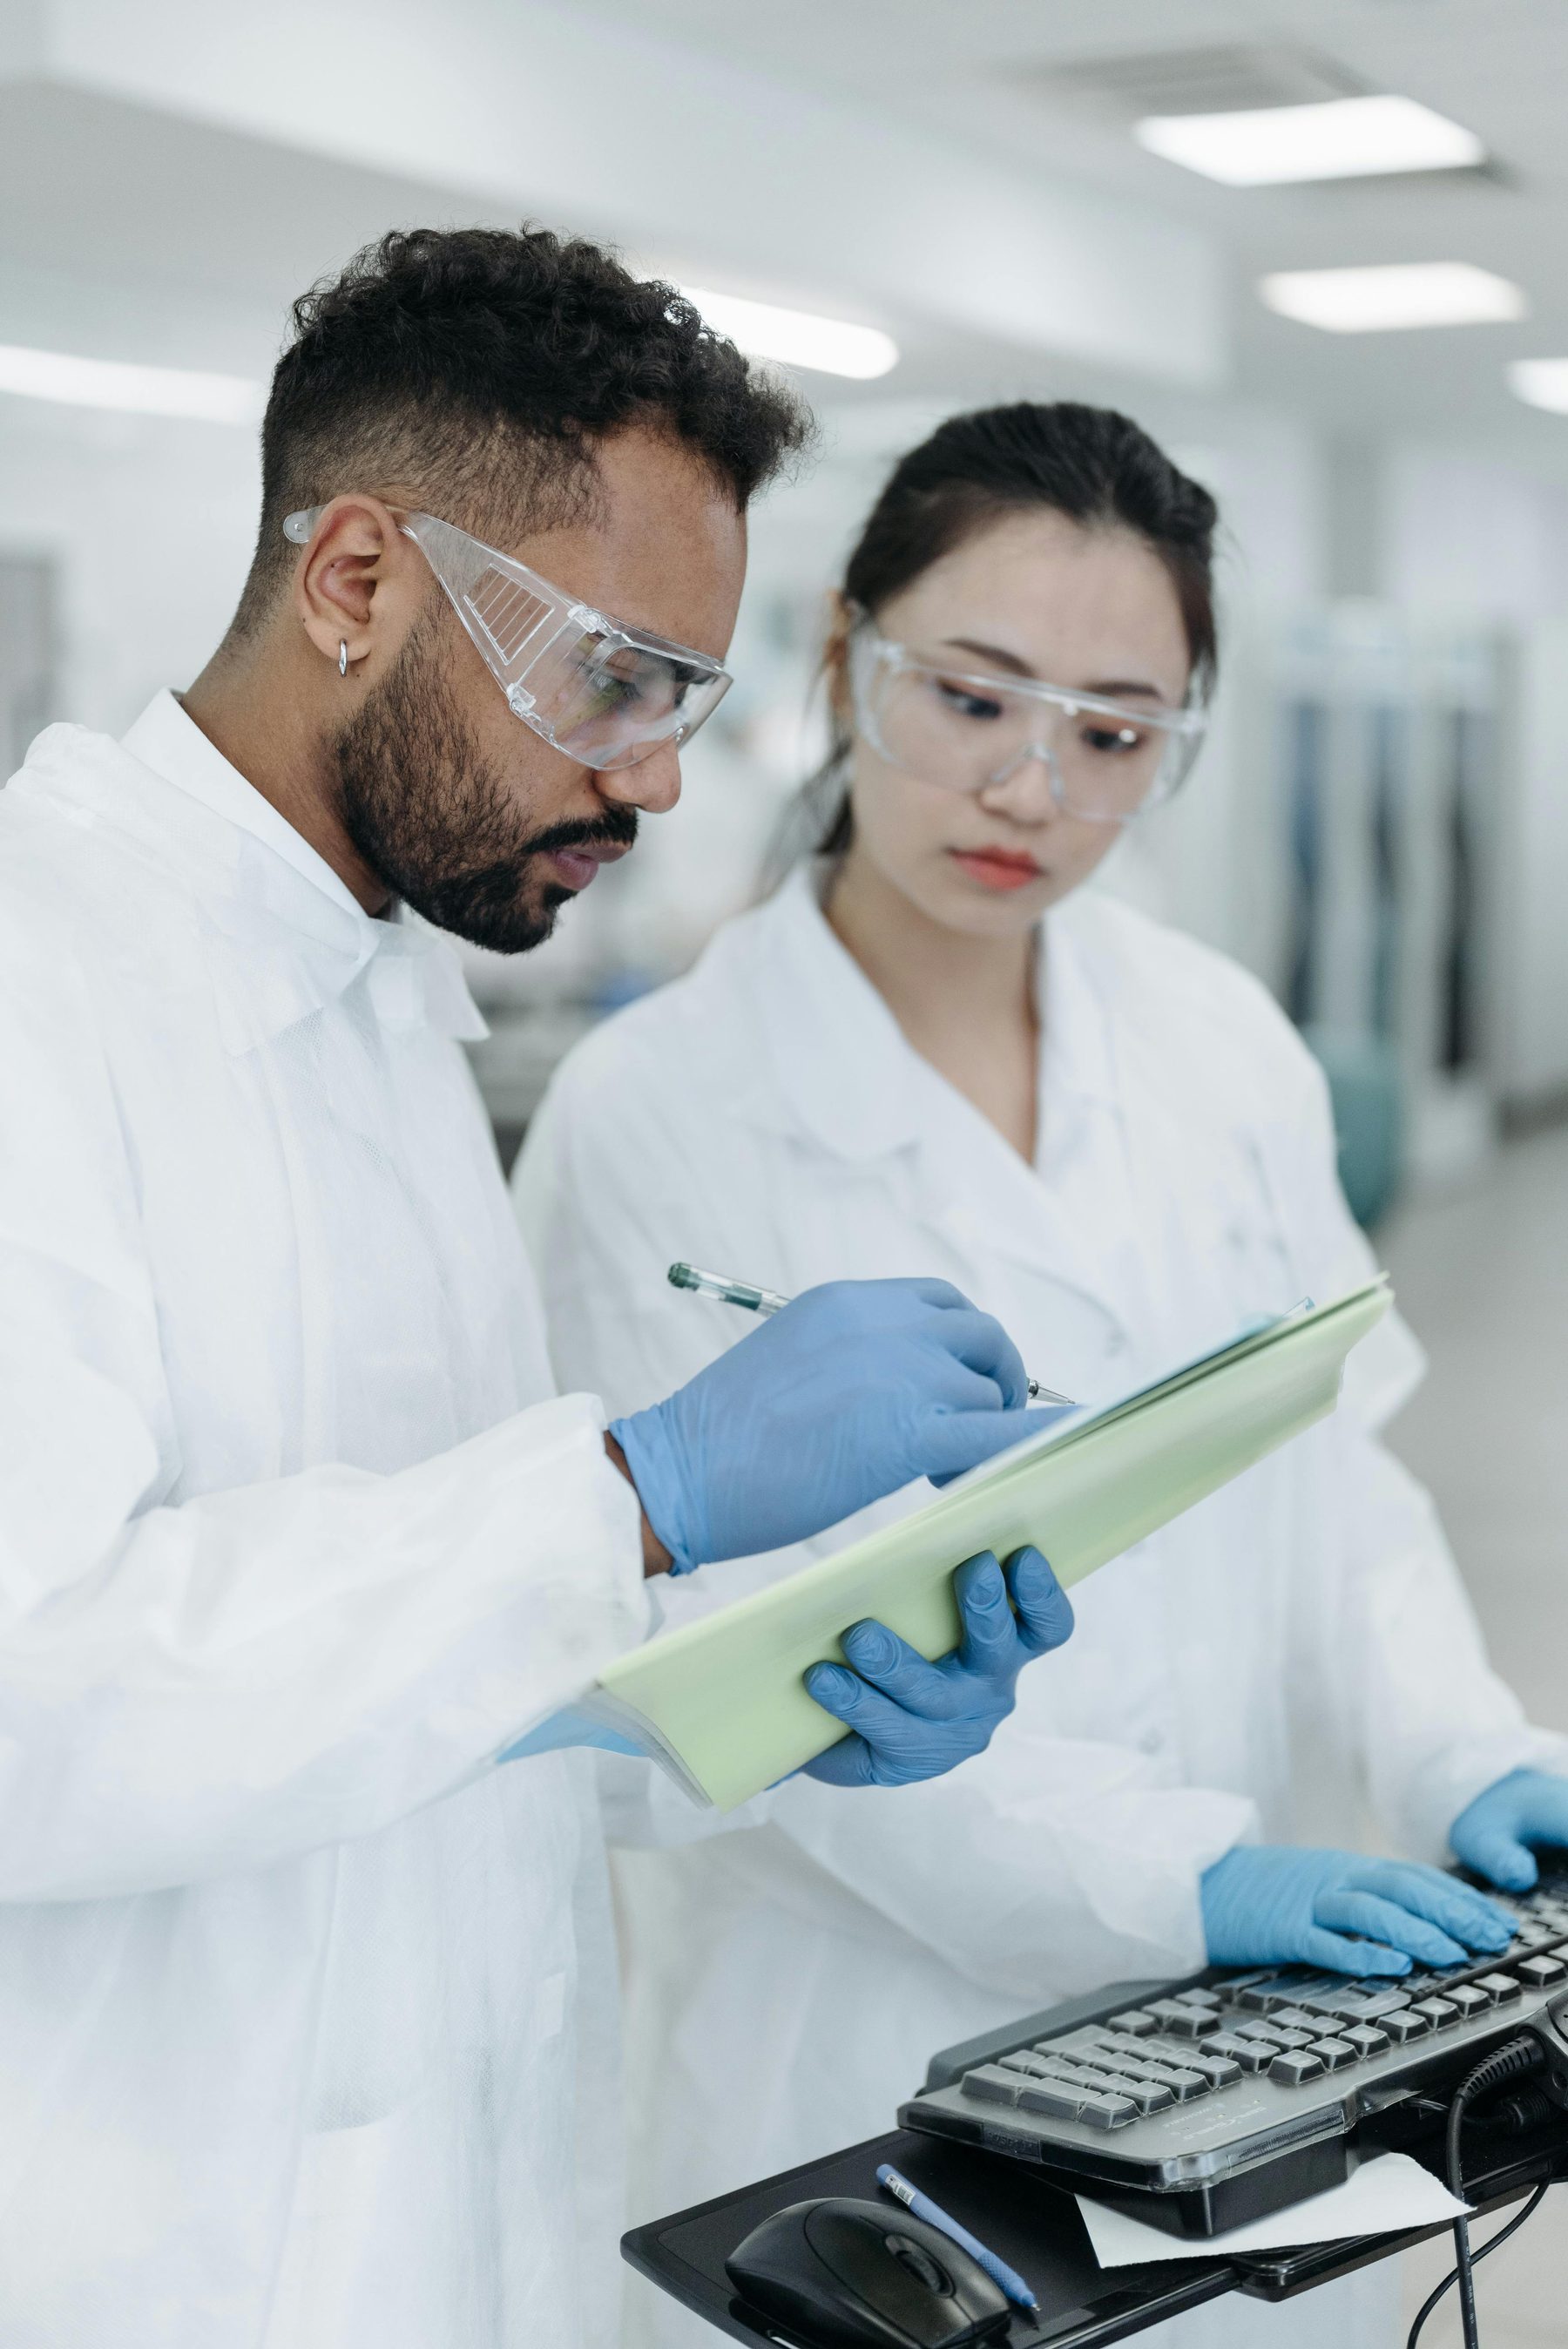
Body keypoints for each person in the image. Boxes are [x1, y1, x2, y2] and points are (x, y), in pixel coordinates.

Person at [0, 243, 1085, 2349]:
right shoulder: (38, 983)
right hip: (158, 2258)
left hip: (462, 2239)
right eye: (614, 677)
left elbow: (399, 1669)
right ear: (353, 585)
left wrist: (760, 1701)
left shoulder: (384, 981)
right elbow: (32, 1702)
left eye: (687, 692)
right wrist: (637, 1493)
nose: (662, 776)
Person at [513, 401, 1568, 2349]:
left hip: (1243, 2078)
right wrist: (1182, 1877)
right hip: (857, 2072)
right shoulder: (655, 1112)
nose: (1030, 787)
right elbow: (739, 1679)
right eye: (973, 697)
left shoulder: (1221, 1044)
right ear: (844, 655)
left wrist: (1461, 1747)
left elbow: (1342, 1480)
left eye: (1112, 732)